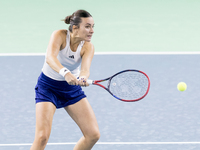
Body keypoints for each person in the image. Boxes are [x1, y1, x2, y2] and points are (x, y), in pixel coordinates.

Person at [30, 10, 100, 150]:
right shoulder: (59, 35)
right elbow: (50, 58)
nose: (92, 31)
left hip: (71, 89)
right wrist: (66, 73)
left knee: (93, 135)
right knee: (42, 137)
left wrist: (83, 77)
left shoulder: (88, 47)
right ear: (75, 27)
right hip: (48, 88)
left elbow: (85, 70)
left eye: (93, 26)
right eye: (87, 26)